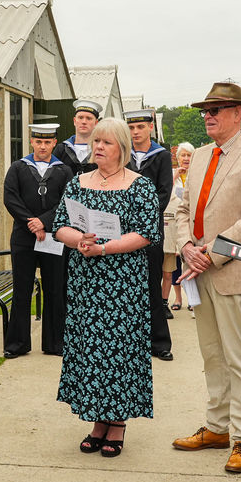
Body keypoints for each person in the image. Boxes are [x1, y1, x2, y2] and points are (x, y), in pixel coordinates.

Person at [172, 81, 241, 474]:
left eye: (215, 109)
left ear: (237, 113)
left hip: (233, 272)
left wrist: (208, 255)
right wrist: (186, 247)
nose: (207, 116)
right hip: (199, 271)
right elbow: (182, 211)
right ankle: (217, 428)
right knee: (212, 354)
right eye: (205, 110)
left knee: (239, 357)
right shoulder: (200, 156)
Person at [53, 118, 160, 457]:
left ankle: (117, 423)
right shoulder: (78, 182)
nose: (98, 147)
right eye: (96, 141)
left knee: (119, 348)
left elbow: (147, 233)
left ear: (122, 148)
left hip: (122, 283)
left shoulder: (140, 185)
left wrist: (104, 248)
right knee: (91, 347)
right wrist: (78, 240)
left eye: (106, 142)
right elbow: (60, 226)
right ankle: (98, 420)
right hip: (85, 281)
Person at [2, 123, 71, 358]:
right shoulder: (17, 167)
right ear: (31, 141)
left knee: (55, 289)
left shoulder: (64, 171)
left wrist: (44, 222)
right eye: (38, 141)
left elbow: (67, 202)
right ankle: (17, 344)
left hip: (54, 237)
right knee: (22, 289)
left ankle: (55, 343)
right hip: (23, 237)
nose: (42, 146)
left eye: (47, 142)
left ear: (54, 143)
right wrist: (31, 223)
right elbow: (10, 198)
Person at [125, 108, 174, 359]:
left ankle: (159, 343)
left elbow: (164, 192)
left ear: (150, 127)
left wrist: (142, 218)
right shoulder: (123, 154)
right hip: (125, 231)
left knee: (152, 284)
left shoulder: (161, 155)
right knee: (127, 286)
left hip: (150, 230)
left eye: (140, 127)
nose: (136, 132)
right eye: (131, 128)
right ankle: (131, 341)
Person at [164, 142, 195, 311]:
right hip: (173, 222)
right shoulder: (170, 174)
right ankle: (177, 298)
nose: (186, 158)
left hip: (191, 221)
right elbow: (165, 196)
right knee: (174, 262)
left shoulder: (197, 173)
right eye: (183, 155)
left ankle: (192, 298)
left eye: (189, 155)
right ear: (177, 158)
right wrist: (175, 176)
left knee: (190, 260)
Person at [53, 99, 102, 176]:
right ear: (74, 121)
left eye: (89, 118)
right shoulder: (62, 150)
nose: (84, 122)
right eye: (80, 117)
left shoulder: (101, 149)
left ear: (96, 123)